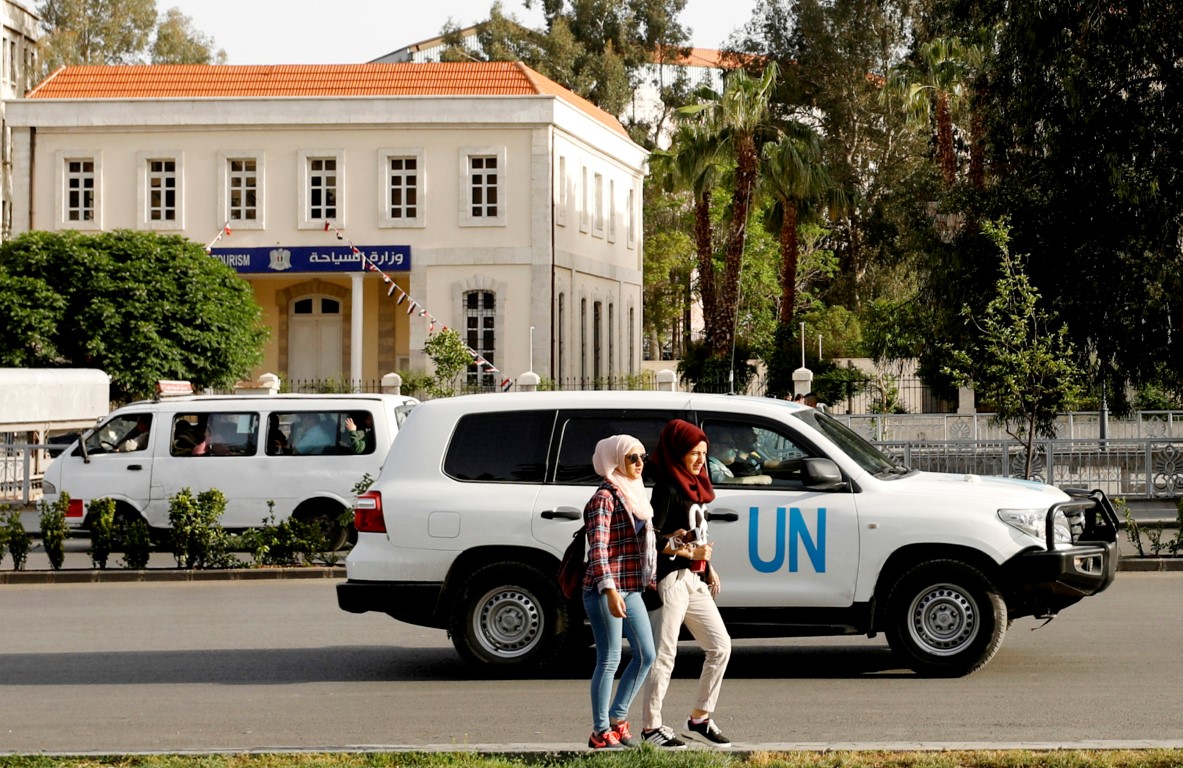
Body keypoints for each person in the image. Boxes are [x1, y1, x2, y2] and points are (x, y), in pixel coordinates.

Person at [641, 419, 733, 748]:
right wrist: (690, 550)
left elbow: (697, 534)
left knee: (720, 647)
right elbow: (651, 538)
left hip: (692, 578)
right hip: (669, 580)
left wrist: (708, 567)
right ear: (678, 452)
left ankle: (699, 719)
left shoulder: (695, 485)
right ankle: (651, 727)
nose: (699, 460)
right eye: (693, 453)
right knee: (664, 655)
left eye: (704, 454)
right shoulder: (667, 487)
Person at [582, 434, 658, 750]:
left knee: (646, 655)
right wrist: (610, 590)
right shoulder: (604, 497)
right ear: (615, 460)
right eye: (632, 458)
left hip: (631, 587)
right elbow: (597, 549)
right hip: (605, 588)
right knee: (610, 658)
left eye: (643, 457)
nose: (640, 464)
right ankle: (600, 731)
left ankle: (618, 718)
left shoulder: (634, 493)